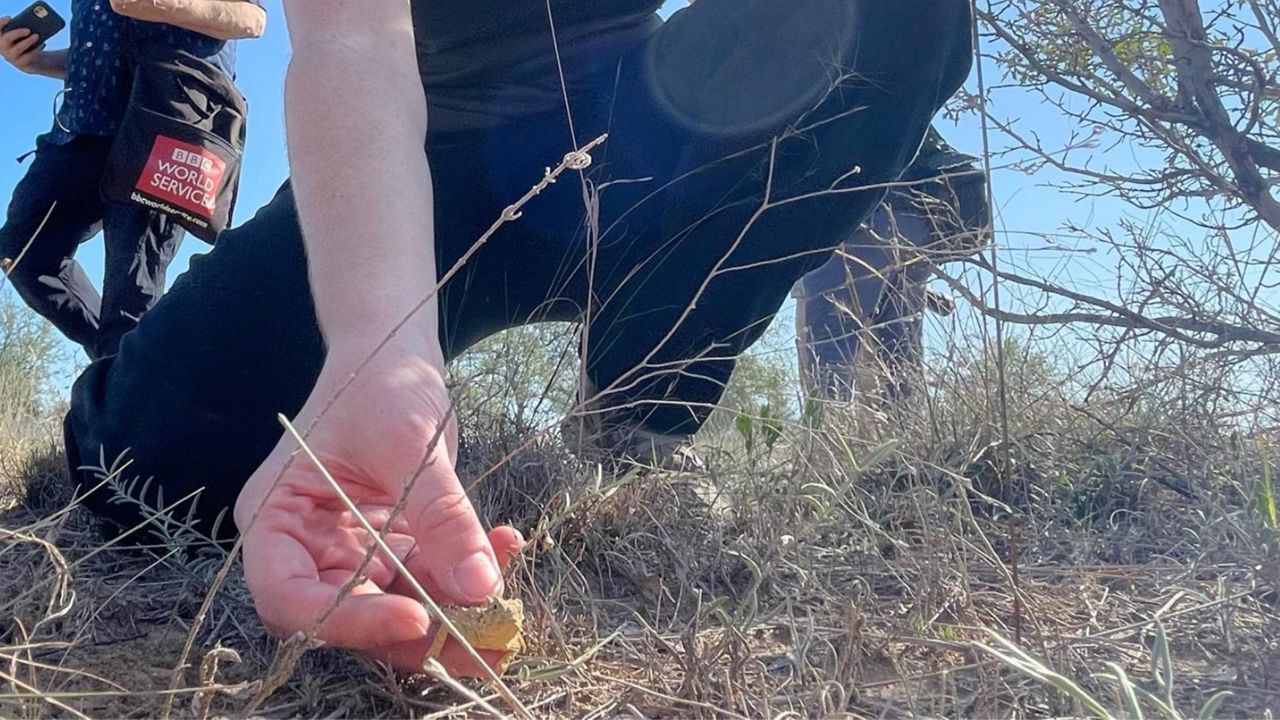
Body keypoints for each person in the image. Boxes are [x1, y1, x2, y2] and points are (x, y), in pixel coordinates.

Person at [63, 0, 975, 675]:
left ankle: (643, 410)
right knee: (141, 473)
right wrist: (383, 354)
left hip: (651, 127)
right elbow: (351, 37)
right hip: (419, 156)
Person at [0, 0, 265, 360]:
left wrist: (163, 5)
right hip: (83, 127)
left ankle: (128, 379)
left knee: (130, 300)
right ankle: (136, 371)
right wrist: (36, 62)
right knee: (23, 252)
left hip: (167, 120)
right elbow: (100, 53)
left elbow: (253, 19)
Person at [795, 127, 991, 404]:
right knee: (902, 351)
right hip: (922, 228)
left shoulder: (830, 90)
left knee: (829, 344)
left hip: (858, 224)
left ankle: (828, 433)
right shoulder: (902, 91)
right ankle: (906, 437)